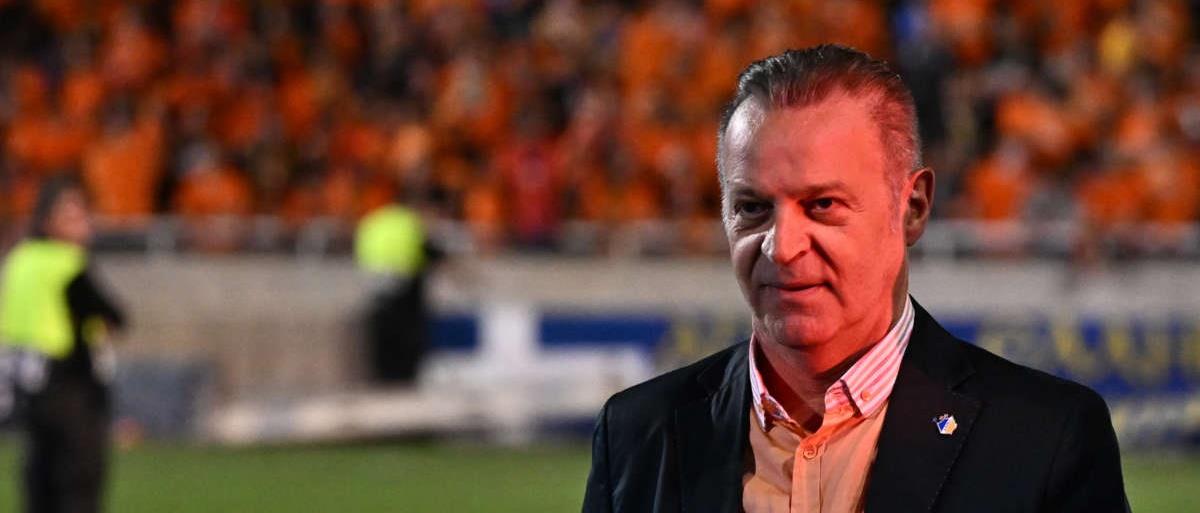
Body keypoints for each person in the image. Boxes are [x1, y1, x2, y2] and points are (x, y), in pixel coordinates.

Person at [581, 45, 1129, 513]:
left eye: (822, 205)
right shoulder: (635, 437)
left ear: (912, 208)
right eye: (752, 208)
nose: (782, 246)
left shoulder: (1046, 439)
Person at [0, 176, 126, 513]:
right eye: (72, 216)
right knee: (79, 485)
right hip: (70, 385)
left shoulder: (20, 259)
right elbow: (113, 315)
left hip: (28, 387)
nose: (83, 223)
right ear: (48, 221)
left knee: (40, 484)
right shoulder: (66, 264)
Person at [354, 199, 444, 386]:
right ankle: (403, 376)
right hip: (406, 285)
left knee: (382, 334)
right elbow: (425, 250)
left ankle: (382, 375)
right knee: (406, 335)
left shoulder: (373, 222)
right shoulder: (409, 223)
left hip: (376, 283)